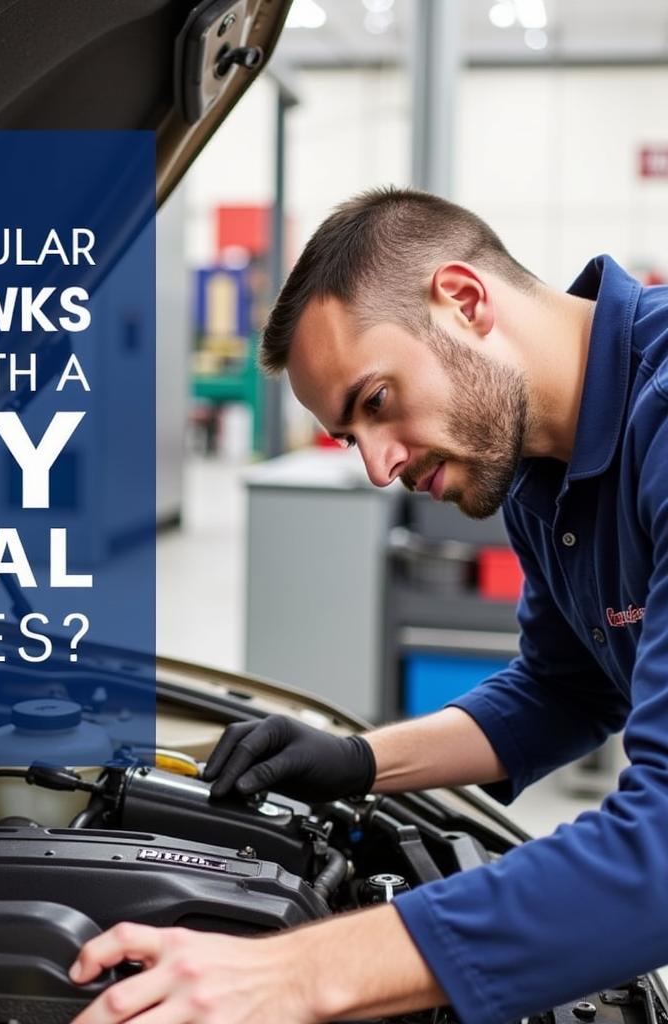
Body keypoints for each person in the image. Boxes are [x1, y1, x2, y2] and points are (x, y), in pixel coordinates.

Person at [67, 187, 668, 1024]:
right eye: (351, 438)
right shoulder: (538, 474)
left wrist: (296, 974)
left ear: (463, 301)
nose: (379, 468)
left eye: (376, 402)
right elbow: (564, 690)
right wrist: (357, 761)